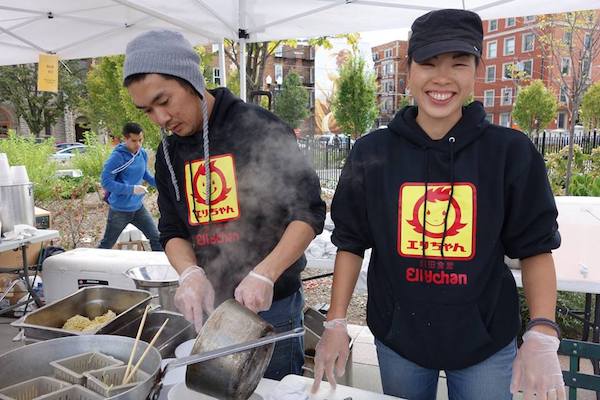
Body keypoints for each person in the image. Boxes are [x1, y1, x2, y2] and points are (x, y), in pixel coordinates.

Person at [312, 9, 565, 400]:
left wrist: (543, 330)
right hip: (400, 339)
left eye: (458, 63)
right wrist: (335, 321)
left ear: (476, 69)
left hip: (484, 340)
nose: (442, 78)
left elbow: (535, 247)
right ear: (409, 70)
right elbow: (350, 241)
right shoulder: (372, 152)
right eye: (428, 63)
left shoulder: (509, 152)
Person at [123, 30, 325, 380]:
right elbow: (172, 229)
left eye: (164, 101)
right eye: (147, 110)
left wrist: (266, 273)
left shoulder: (259, 128)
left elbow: (308, 213)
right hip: (210, 310)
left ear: (191, 80)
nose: (159, 118)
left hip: (271, 307)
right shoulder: (169, 153)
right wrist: (190, 273)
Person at [98, 122, 162, 251]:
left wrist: (163, 185)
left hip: (138, 208)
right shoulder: (117, 157)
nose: (138, 144)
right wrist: (132, 189)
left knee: (156, 238)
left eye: (140, 140)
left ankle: (161, 267)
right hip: (119, 210)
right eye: (134, 141)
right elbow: (106, 182)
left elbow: (145, 174)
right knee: (106, 244)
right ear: (125, 139)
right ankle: (89, 268)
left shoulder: (142, 153)